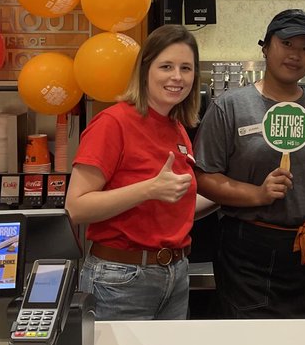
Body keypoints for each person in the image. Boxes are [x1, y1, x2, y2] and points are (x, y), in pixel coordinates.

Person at [194, 9, 305, 318]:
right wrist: (257, 194)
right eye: (287, 43)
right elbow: (204, 178)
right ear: (265, 47)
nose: (296, 55)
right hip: (248, 249)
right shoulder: (231, 107)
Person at [66, 24, 204, 320]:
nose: (177, 77)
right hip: (120, 279)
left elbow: (175, 200)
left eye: (186, 68)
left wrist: (246, 192)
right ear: (144, 70)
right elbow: (76, 207)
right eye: (166, 66)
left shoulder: (176, 127)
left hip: (175, 275)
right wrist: (150, 188)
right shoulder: (113, 123)